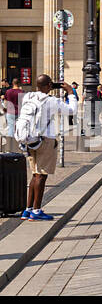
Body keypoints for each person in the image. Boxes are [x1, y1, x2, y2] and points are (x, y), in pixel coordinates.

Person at [14, 75, 78, 221]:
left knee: (35, 174)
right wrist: (70, 92)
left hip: (29, 139)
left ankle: (28, 209)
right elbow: (71, 110)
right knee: (41, 175)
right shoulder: (52, 101)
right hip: (45, 140)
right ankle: (36, 211)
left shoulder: (28, 97)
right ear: (49, 85)